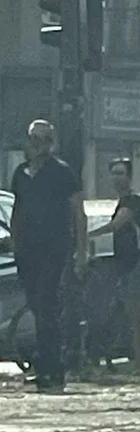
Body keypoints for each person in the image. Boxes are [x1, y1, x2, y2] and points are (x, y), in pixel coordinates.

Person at [9, 120, 88, 393]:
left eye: (43, 139)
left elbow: (78, 212)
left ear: (51, 143)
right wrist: (14, 241)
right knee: (36, 305)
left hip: (54, 249)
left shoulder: (62, 173)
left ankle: (52, 368)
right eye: (34, 138)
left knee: (47, 304)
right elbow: (18, 210)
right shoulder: (20, 173)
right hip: (27, 251)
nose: (38, 144)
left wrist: (82, 250)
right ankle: (44, 366)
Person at [90, 158, 140, 376]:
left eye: (120, 173)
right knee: (134, 315)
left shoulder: (132, 202)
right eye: (113, 173)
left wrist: (88, 235)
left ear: (130, 177)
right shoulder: (123, 201)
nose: (116, 178)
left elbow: (117, 224)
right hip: (129, 265)